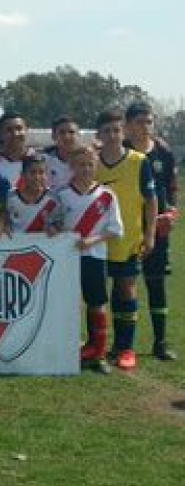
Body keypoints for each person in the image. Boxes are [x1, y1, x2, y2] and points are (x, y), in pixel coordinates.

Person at [95, 109, 157, 371]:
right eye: (107, 131)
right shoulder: (91, 162)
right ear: (99, 134)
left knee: (125, 289)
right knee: (95, 296)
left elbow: (151, 200)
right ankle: (98, 346)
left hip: (129, 237)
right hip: (95, 240)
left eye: (116, 130)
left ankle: (125, 348)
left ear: (123, 132)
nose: (112, 135)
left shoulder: (139, 161)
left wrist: (150, 233)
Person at [54, 146, 123, 370]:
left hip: (94, 257)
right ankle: (67, 348)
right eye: (81, 164)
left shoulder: (107, 195)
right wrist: (54, 230)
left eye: (90, 165)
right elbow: (53, 222)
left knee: (97, 303)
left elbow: (115, 229)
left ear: (96, 166)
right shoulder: (62, 194)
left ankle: (99, 352)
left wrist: (92, 240)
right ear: (72, 166)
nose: (85, 169)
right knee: (68, 303)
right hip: (68, 258)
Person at [124, 101, 178, 360]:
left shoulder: (163, 152)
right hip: (127, 229)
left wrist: (172, 211)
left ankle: (160, 343)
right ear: (128, 126)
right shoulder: (120, 151)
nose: (145, 127)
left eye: (149, 122)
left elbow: (172, 188)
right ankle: (124, 345)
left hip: (157, 229)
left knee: (156, 284)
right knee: (125, 285)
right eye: (139, 122)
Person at [3, 154, 58, 235]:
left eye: (41, 172)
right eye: (33, 172)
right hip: (16, 246)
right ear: (22, 174)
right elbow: (4, 220)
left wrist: (55, 228)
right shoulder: (10, 197)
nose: (37, 177)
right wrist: (4, 226)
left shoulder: (53, 198)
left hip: (43, 246)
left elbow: (60, 223)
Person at [0, 112, 32, 188]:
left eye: (19, 128)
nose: (15, 134)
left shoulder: (40, 160)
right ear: (1, 134)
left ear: (26, 131)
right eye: (9, 130)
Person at [44, 116, 80, 191]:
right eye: (62, 132)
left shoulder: (87, 162)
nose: (67, 137)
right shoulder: (43, 161)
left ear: (78, 135)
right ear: (53, 136)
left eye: (71, 132)